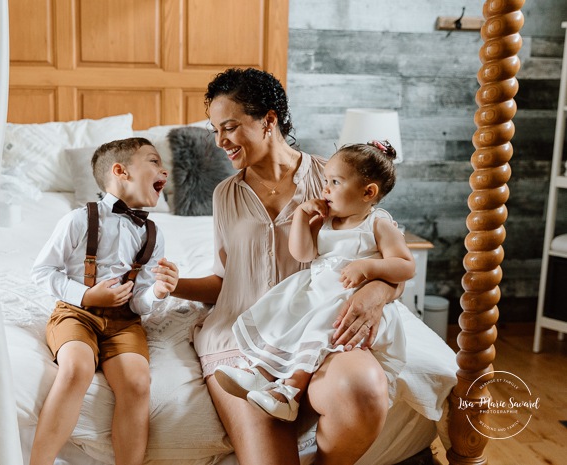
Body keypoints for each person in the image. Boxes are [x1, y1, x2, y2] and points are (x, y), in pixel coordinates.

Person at [171, 67, 403, 465]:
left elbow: (379, 256)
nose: (220, 141)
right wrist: (173, 285)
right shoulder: (225, 194)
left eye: (229, 126)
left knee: (363, 389)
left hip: (322, 327)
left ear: (269, 120)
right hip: (243, 338)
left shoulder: (332, 177)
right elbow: (225, 282)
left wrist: (377, 291)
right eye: (214, 130)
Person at [214, 140, 413, 423]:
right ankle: (259, 373)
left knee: (318, 331)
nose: (325, 189)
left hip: (345, 298)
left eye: (335, 181)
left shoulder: (378, 224)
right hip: (316, 291)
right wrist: (301, 217)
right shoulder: (328, 220)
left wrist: (368, 266)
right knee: (283, 314)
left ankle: (289, 394)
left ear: (368, 192)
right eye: (325, 181)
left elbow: (406, 266)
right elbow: (303, 253)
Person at [29, 137, 179, 465]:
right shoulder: (78, 220)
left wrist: (156, 292)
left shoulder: (153, 233)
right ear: (120, 171)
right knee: (77, 368)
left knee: (138, 384)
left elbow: (139, 301)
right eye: (153, 161)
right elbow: (42, 272)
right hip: (76, 314)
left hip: (125, 322)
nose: (163, 170)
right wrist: (86, 295)